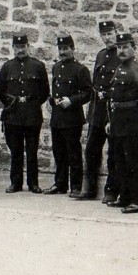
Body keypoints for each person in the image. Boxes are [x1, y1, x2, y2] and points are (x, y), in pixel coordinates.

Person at [106, 32, 138, 213]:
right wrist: (111, 120)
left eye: (126, 47)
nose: (122, 50)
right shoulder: (119, 69)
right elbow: (114, 99)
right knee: (120, 162)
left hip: (133, 122)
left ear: (134, 49)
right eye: (119, 47)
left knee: (134, 162)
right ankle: (125, 196)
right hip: (119, 122)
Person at [74, 20, 122, 201]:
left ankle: (111, 191)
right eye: (104, 34)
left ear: (117, 33)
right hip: (97, 111)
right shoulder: (101, 55)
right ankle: (90, 189)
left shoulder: (121, 55)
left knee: (113, 153)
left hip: (112, 110)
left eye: (110, 33)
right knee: (91, 150)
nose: (107, 37)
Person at [0, 34, 49, 194]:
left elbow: (45, 91)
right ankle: (16, 183)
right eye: (17, 47)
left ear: (28, 46)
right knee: (16, 151)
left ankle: (33, 183)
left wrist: (31, 103)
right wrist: (13, 103)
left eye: (23, 46)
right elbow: (1, 91)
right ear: (13, 48)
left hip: (32, 115)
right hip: (13, 116)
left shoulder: (38, 66)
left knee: (32, 151)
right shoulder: (7, 67)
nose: (20, 50)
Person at [45, 34, 92, 196]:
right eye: (60, 49)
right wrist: (53, 100)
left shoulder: (80, 70)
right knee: (58, 153)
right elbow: (54, 90)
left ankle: (76, 186)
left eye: (66, 49)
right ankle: (60, 184)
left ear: (73, 49)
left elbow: (88, 93)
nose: (63, 52)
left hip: (72, 119)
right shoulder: (56, 67)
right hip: (57, 118)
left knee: (73, 153)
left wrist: (71, 100)